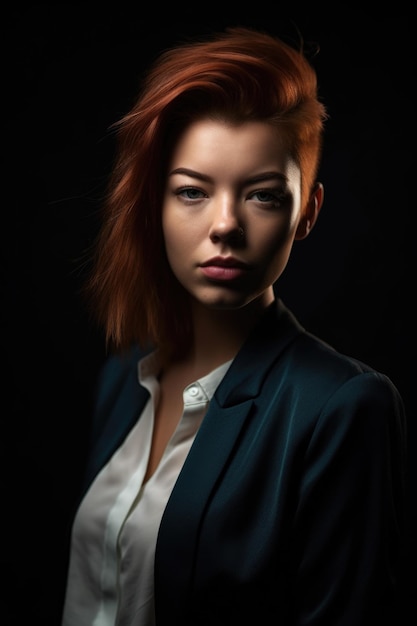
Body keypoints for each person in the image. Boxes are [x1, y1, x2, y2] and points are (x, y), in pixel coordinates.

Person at [60, 25, 407, 625]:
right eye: (192, 192)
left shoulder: (343, 410)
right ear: (154, 203)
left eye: (264, 196)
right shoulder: (124, 377)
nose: (225, 225)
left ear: (308, 213)